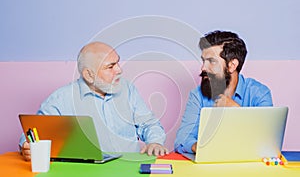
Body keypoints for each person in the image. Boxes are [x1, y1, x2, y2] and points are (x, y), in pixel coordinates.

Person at [19, 42, 169, 161]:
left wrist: (155, 142)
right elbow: (32, 133)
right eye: (110, 66)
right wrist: (27, 146)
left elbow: (149, 124)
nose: (119, 70)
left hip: (130, 168)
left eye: (117, 63)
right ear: (89, 75)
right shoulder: (61, 98)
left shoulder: (128, 89)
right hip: (84, 172)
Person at [174, 30, 273, 154]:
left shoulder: (259, 93)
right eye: (203, 61)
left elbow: (268, 141)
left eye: (212, 61)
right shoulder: (197, 96)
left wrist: (237, 110)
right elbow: (182, 140)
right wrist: (204, 149)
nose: (203, 68)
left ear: (232, 65)